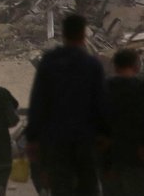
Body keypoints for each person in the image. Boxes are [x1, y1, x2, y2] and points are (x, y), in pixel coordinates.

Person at [25, 13, 107, 196]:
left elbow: (38, 102)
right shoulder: (92, 64)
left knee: (60, 187)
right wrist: (105, 134)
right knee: (88, 187)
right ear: (83, 36)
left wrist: (32, 138)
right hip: (84, 139)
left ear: (63, 34)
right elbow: (100, 103)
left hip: (55, 139)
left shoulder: (49, 62)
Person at [102, 49, 144, 196]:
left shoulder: (101, 90)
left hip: (109, 159)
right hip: (137, 158)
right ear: (137, 67)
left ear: (115, 67)